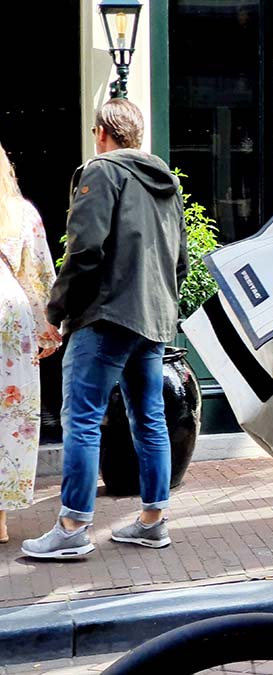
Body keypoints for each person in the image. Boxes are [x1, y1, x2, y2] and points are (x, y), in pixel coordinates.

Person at [22, 98, 187, 560]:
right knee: (150, 419)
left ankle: (73, 527)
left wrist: (57, 310)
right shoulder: (166, 182)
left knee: (82, 420)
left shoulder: (100, 172)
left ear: (101, 133)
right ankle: (153, 522)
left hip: (107, 315)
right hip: (153, 318)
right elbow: (180, 260)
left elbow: (85, 251)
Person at [0, 143, 62, 545]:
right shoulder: (21, 212)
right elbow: (38, 275)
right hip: (9, 311)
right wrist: (48, 330)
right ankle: (0, 518)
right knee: (10, 417)